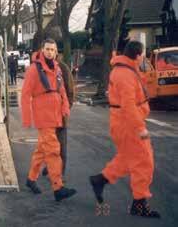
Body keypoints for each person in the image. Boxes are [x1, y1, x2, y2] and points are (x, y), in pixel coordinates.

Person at [89, 41, 160, 218]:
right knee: (144, 162)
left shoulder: (124, 70)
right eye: (143, 54)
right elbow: (128, 105)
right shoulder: (125, 74)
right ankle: (139, 203)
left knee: (128, 159)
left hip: (123, 122)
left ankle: (101, 180)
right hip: (129, 124)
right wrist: (140, 127)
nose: (143, 57)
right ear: (137, 55)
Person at [21, 38, 76, 202]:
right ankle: (58, 187)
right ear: (42, 50)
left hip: (56, 115)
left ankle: (31, 179)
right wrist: (26, 118)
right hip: (43, 116)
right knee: (53, 151)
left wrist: (65, 108)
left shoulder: (57, 69)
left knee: (41, 151)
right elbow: (25, 95)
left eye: (53, 49)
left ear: (56, 51)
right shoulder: (33, 70)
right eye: (47, 49)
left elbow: (62, 91)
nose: (50, 52)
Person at [41, 54, 75, 177]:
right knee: (48, 144)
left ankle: (60, 173)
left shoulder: (63, 68)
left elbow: (70, 91)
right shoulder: (42, 68)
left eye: (51, 49)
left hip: (60, 114)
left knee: (60, 146)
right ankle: (50, 166)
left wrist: (66, 109)